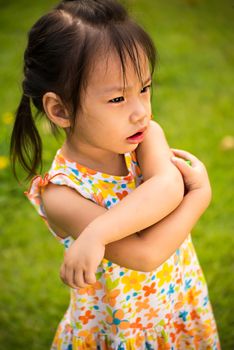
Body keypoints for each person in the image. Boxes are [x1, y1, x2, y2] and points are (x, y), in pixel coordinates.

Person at [10, 0, 220, 348]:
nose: (140, 112)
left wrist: (99, 233)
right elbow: (146, 255)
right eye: (117, 99)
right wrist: (199, 195)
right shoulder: (62, 194)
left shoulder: (144, 138)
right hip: (123, 335)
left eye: (144, 88)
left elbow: (166, 187)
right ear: (60, 109)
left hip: (177, 307)